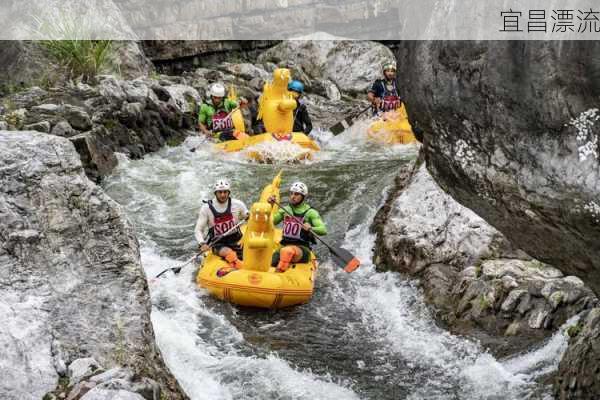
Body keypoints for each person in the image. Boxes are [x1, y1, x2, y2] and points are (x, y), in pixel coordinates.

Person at [267, 182, 327, 272]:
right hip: (284, 245)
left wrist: (311, 228)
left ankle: (278, 275)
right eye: (291, 193)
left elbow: (323, 230)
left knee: (287, 251)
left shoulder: (310, 212)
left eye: (296, 194)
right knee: (271, 262)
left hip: (302, 249)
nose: (292, 196)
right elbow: (271, 223)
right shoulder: (285, 210)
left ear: (303, 196)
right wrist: (270, 206)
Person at [194, 178, 248, 276]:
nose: (223, 195)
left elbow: (246, 216)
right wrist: (202, 243)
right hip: (218, 242)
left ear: (228, 192)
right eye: (220, 192)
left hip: (236, 239)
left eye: (225, 192)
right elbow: (198, 230)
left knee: (249, 255)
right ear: (215, 193)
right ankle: (242, 272)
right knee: (229, 253)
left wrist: (249, 216)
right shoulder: (206, 208)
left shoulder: (238, 204)